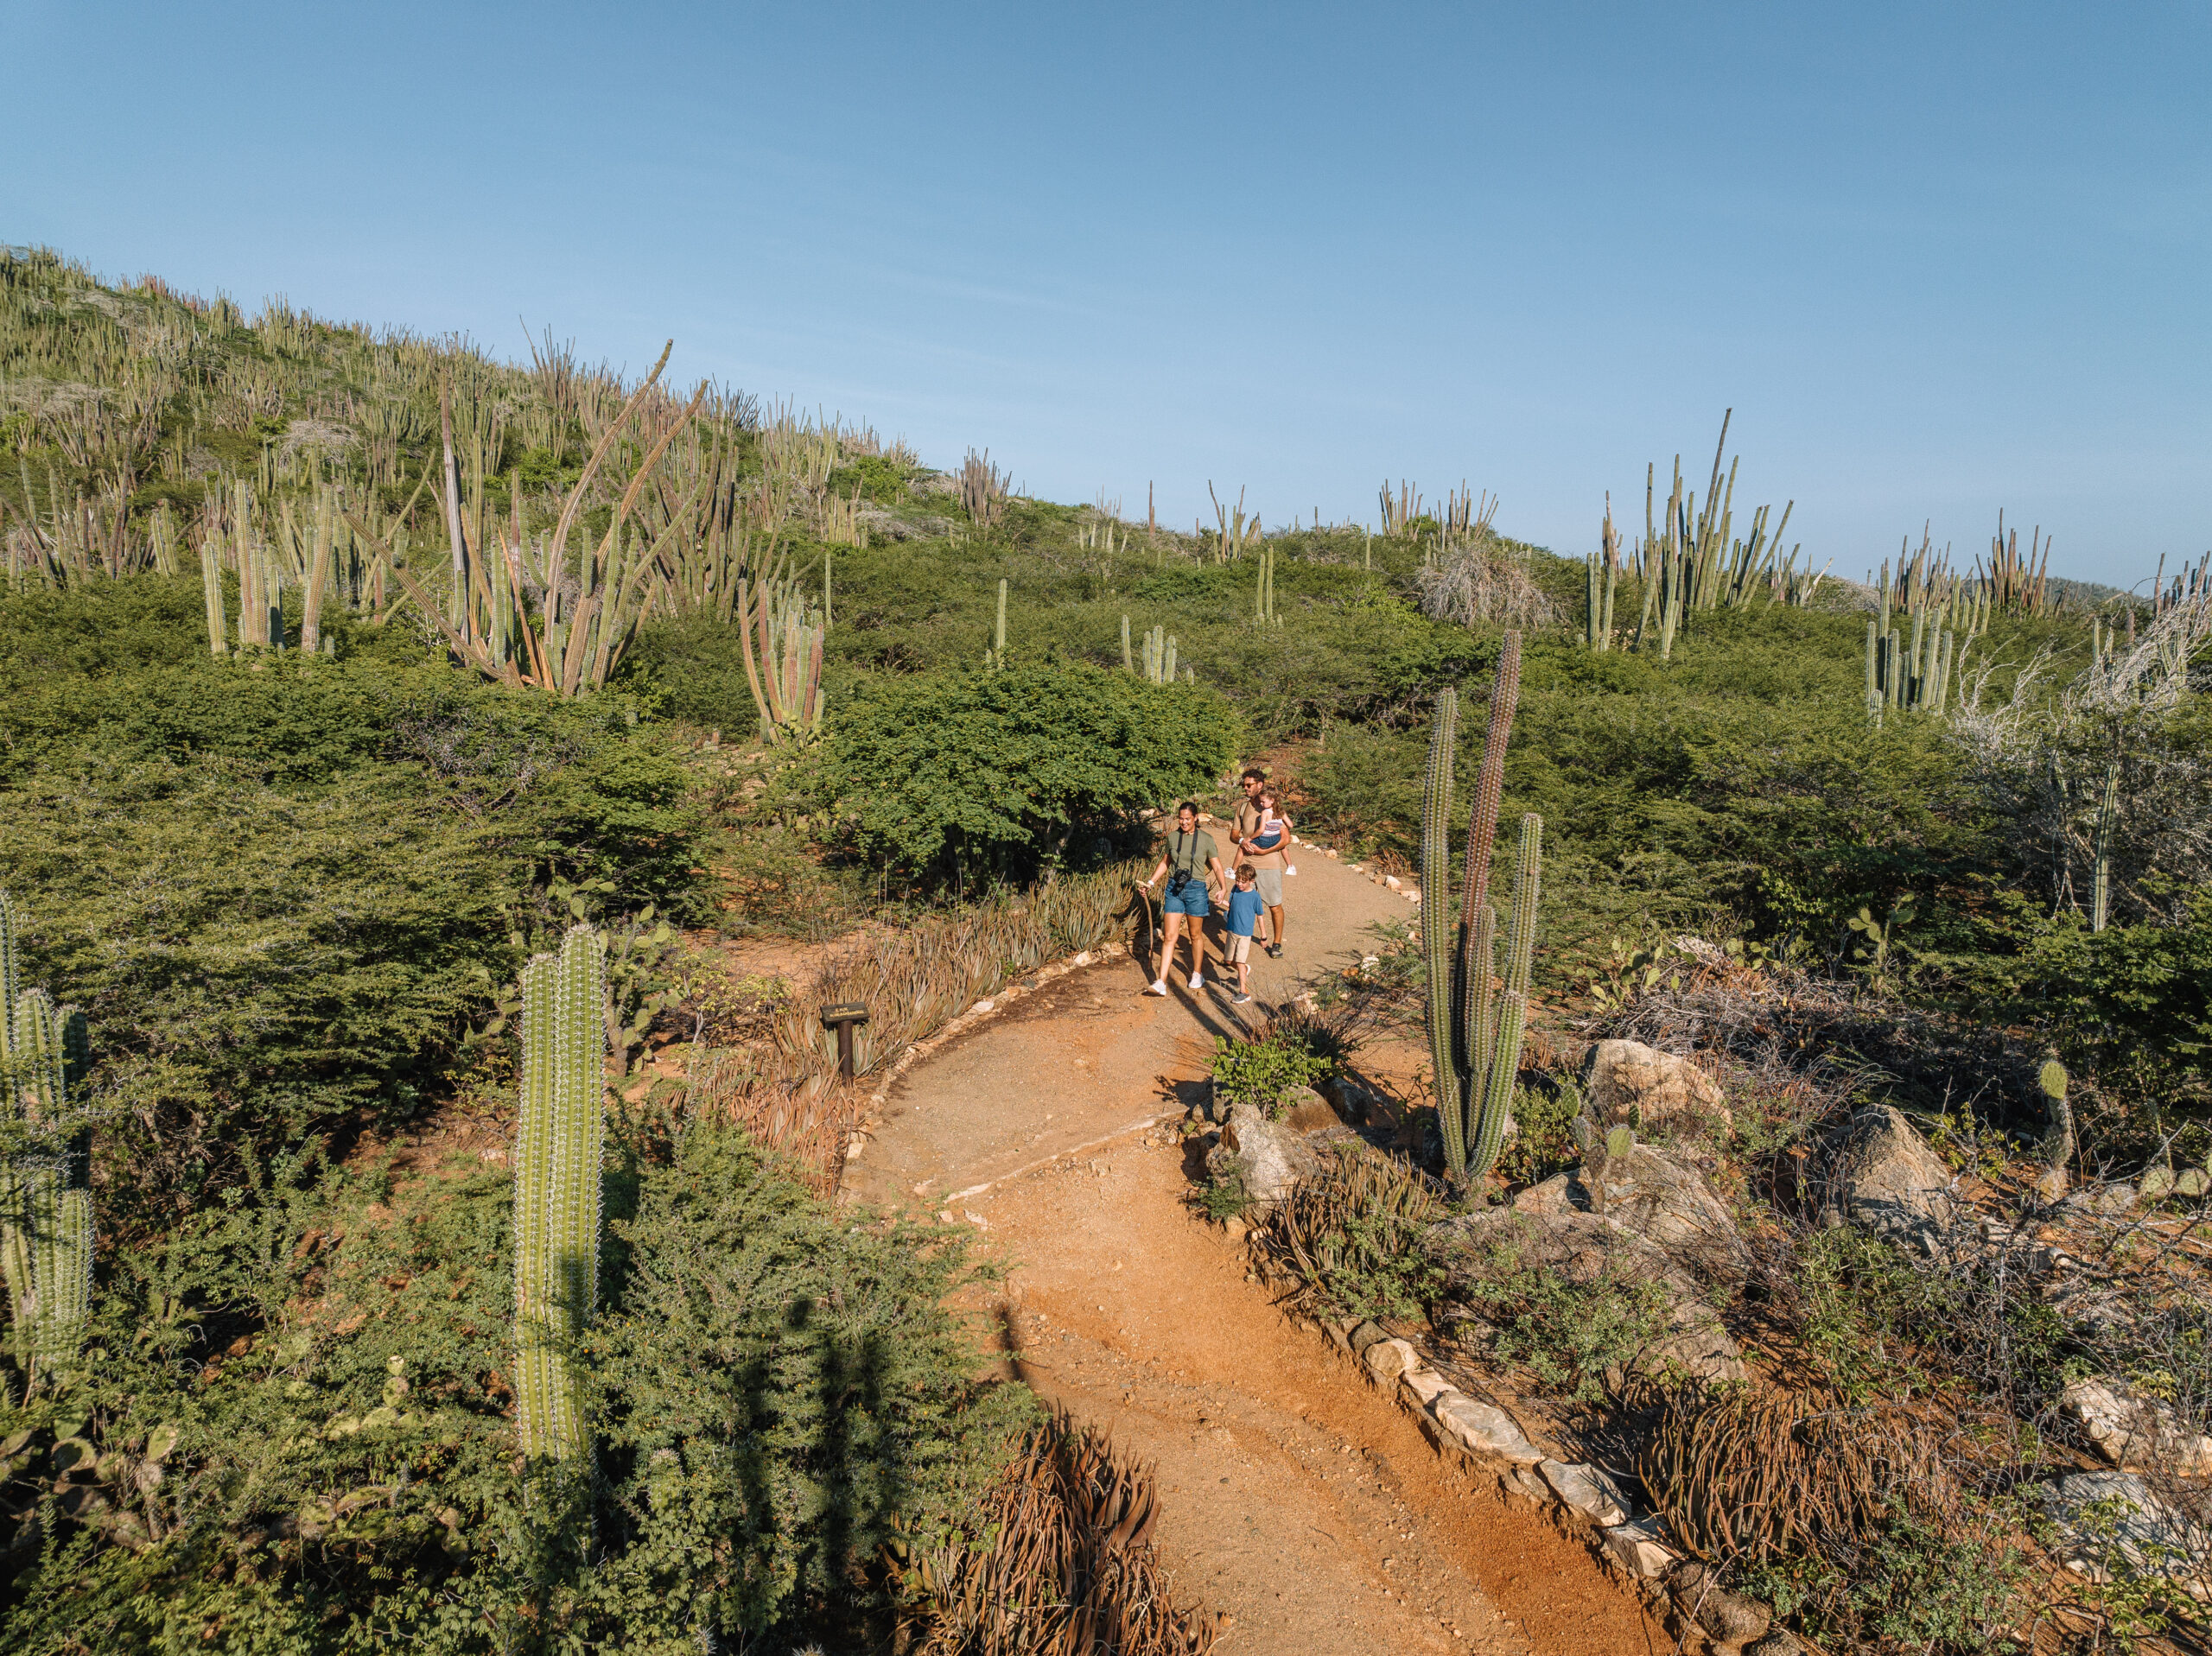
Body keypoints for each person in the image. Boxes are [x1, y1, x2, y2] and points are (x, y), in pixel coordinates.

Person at [1140, 801, 1227, 993]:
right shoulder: (1172, 837)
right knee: (1170, 936)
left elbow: (1217, 866)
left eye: (1188, 819)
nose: (1184, 822)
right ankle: (1161, 981)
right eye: (1181, 818)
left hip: (1196, 889)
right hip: (1174, 888)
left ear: (1196, 818)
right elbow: (1165, 862)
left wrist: (1223, 888)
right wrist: (1151, 882)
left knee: (1195, 934)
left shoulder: (1206, 839)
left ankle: (1197, 973)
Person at [1234, 770, 1291, 959]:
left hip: (1269, 863)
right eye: (1244, 785)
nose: (1245, 788)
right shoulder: (1243, 808)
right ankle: (1237, 944)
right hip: (1247, 862)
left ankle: (1276, 943)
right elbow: (1234, 834)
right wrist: (1243, 841)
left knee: (1274, 905)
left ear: (1260, 784)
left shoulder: (1272, 808)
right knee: (1240, 903)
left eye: (1249, 785)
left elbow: (1286, 838)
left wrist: (1264, 851)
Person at [1223, 863, 1268, 1004]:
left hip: (1245, 934)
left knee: (1240, 962)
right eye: (1238, 880)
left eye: (1243, 881)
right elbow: (1232, 906)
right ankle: (1244, 970)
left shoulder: (1255, 897)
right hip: (1231, 930)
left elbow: (1260, 916)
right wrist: (1222, 902)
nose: (1239, 884)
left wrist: (1263, 936)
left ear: (1251, 881)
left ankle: (1244, 992)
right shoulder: (1235, 889)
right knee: (1228, 961)